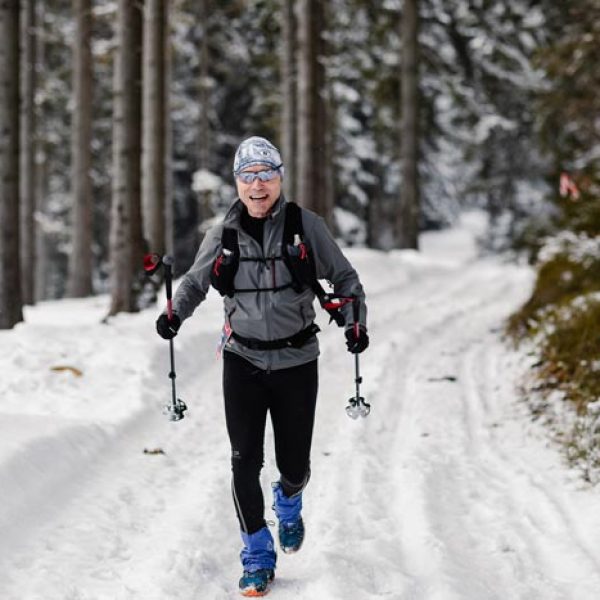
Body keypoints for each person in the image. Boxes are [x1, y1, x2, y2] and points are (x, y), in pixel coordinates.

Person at [155, 136, 369, 596]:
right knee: (243, 461)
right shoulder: (223, 234)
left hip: (296, 360)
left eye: (266, 175)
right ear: (236, 182)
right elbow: (193, 284)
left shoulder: (304, 226)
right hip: (243, 359)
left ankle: (289, 500)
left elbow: (346, 279)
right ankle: (257, 553)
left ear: (279, 178)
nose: (257, 186)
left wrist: (354, 322)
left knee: (294, 464)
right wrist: (173, 314)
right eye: (247, 177)